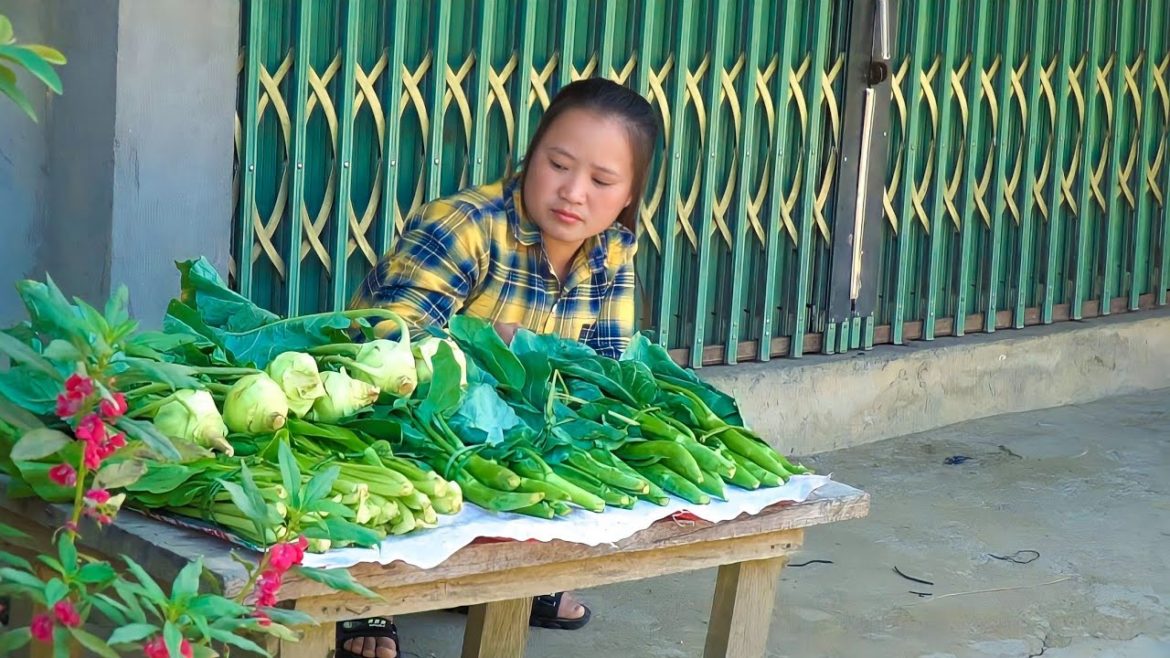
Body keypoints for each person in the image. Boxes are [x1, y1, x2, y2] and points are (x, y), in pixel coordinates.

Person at [336, 77, 660, 658]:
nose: (573, 192)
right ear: (531, 156)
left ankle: (516, 573)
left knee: (588, 442)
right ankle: (363, 595)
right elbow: (385, 341)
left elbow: (608, 373)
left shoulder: (613, 252)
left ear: (630, 194)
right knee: (380, 454)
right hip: (408, 419)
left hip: (508, 438)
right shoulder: (464, 225)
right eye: (558, 164)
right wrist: (486, 344)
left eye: (602, 180)